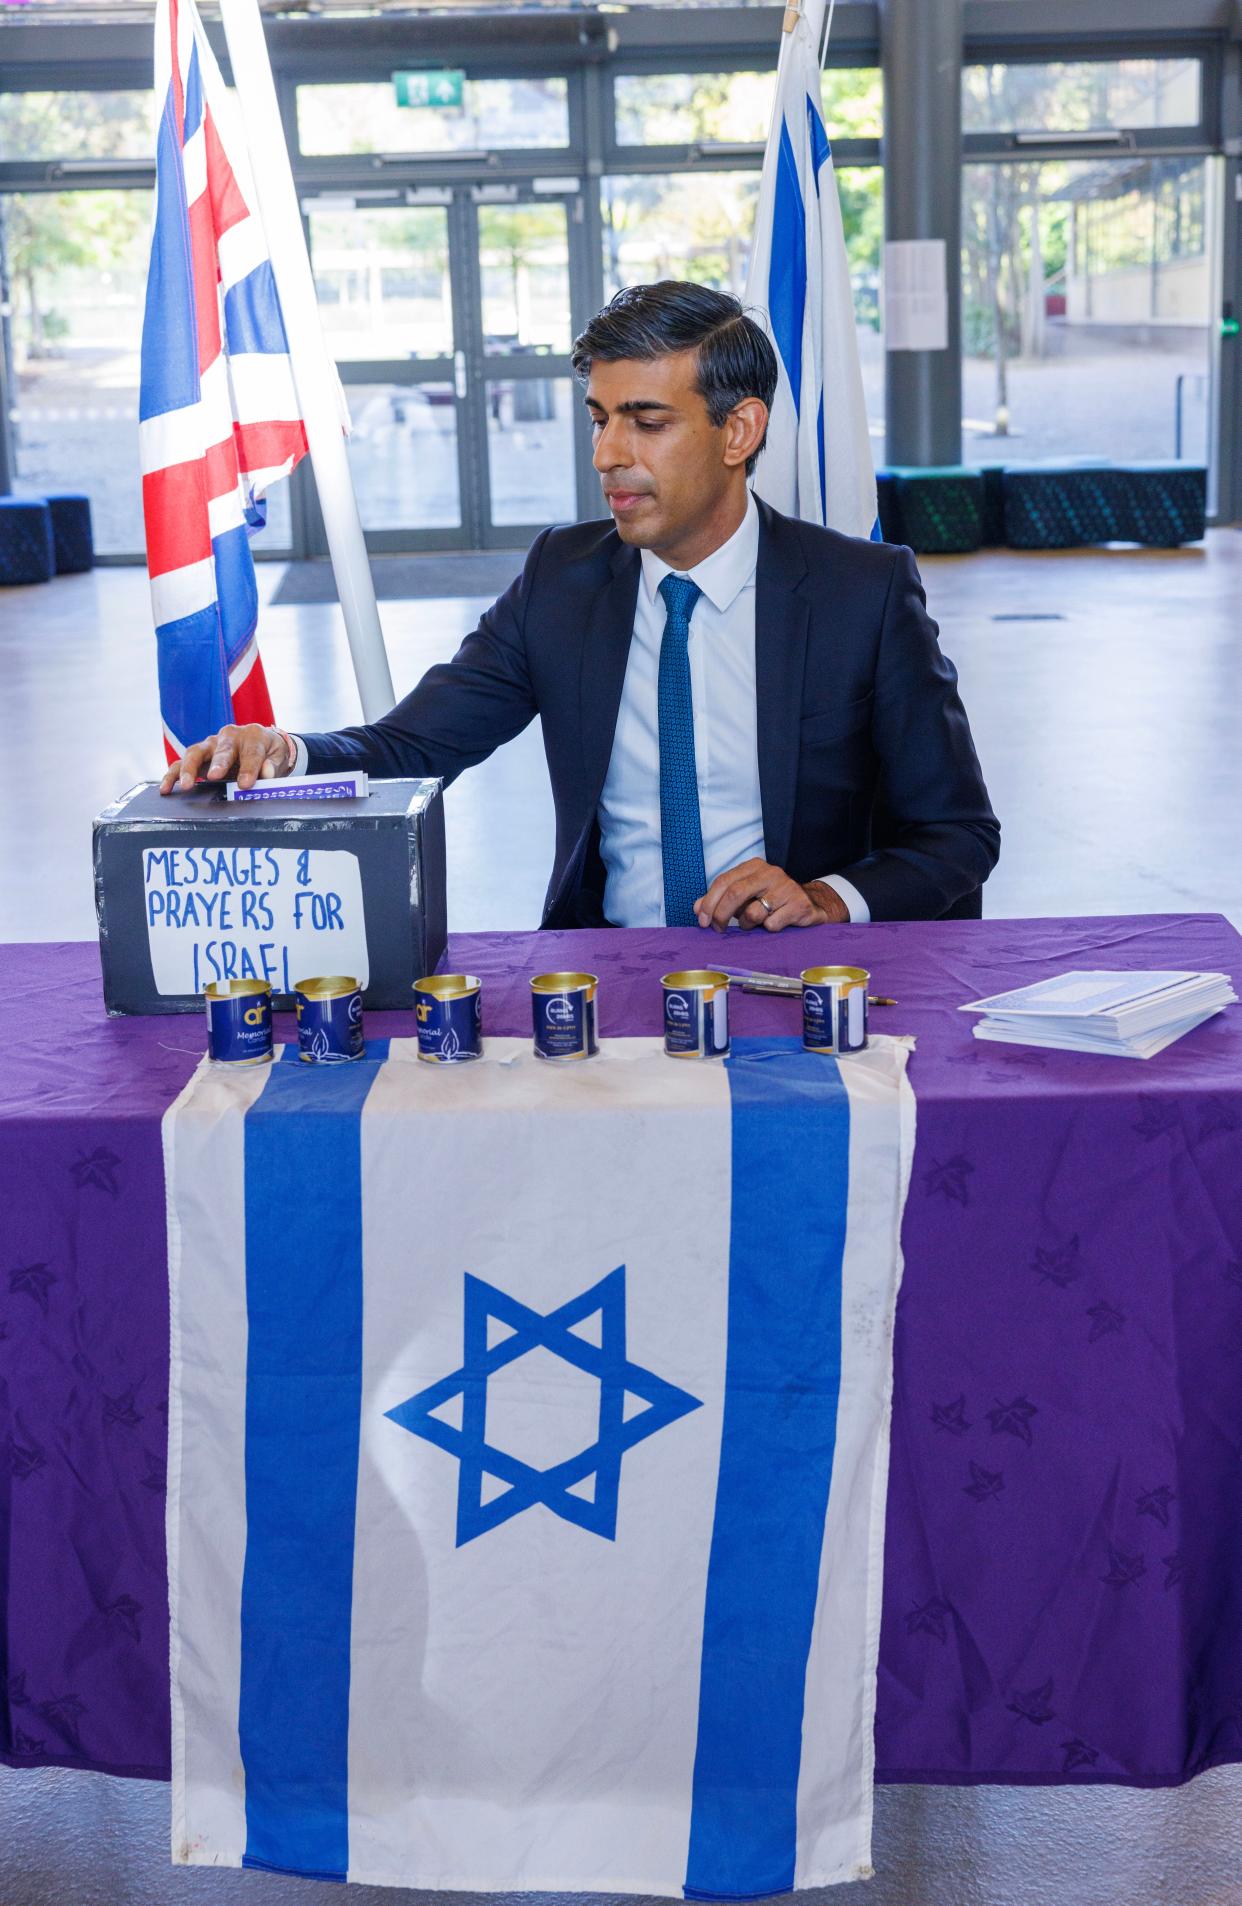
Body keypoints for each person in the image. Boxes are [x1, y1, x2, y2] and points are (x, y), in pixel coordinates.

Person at [162, 280, 999, 931]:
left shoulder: (862, 591)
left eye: (646, 422)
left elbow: (958, 834)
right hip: (609, 971)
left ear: (738, 431)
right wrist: (284, 753)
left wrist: (823, 897)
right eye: (600, 419)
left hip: (802, 981)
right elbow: (411, 745)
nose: (607, 455)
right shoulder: (562, 578)